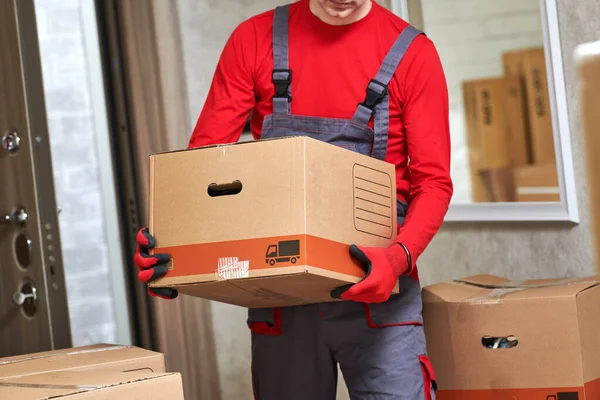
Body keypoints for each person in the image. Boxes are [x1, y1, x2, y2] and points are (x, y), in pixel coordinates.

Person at [135, 0, 452, 398]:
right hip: (280, 295)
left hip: (379, 298)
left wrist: (399, 257)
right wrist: (172, 250)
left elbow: (434, 183)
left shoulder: (413, 53)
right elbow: (204, 172)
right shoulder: (253, 40)